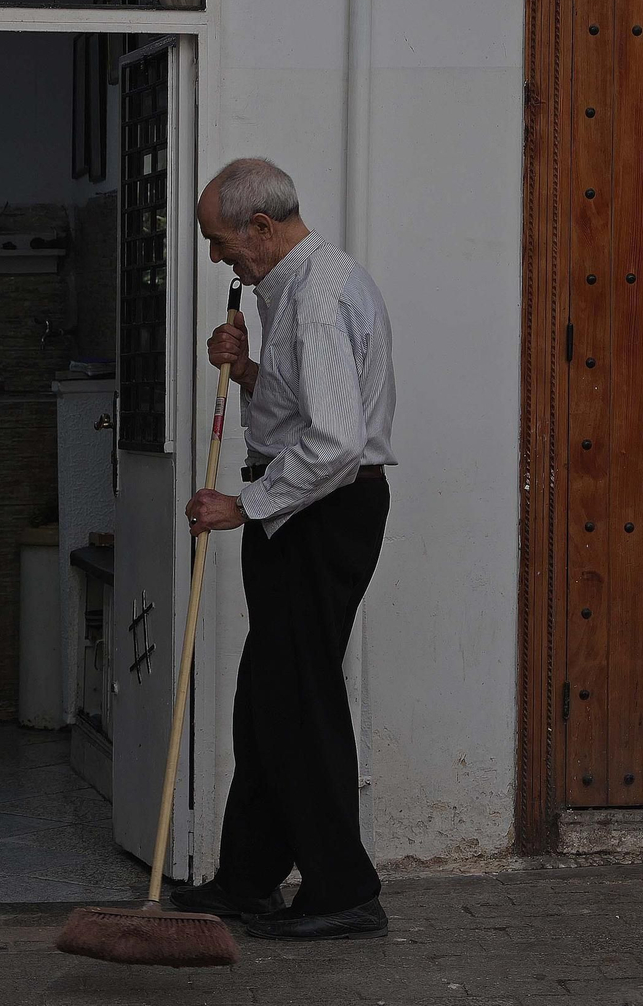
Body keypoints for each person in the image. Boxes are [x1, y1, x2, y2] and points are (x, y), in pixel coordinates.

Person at [176, 157, 397, 941]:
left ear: (261, 230)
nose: (219, 259)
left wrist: (247, 503)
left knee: (297, 700)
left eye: (221, 241)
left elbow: (336, 443)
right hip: (308, 506)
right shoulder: (302, 289)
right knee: (269, 697)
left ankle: (342, 886)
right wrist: (245, 372)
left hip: (318, 511)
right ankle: (248, 879)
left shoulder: (314, 299)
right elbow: (309, 409)